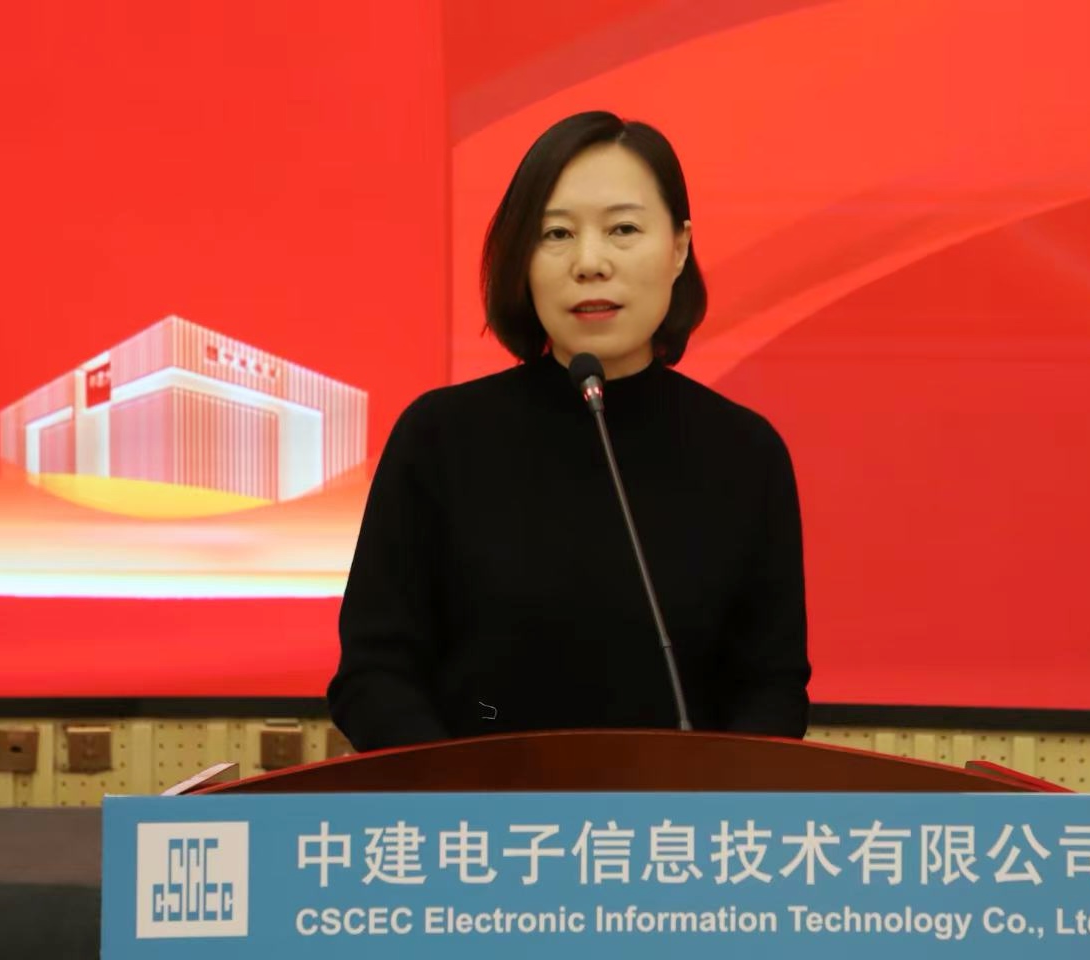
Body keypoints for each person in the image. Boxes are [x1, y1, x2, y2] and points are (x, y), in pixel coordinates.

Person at [328, 110, 810, 751]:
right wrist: (452, 793)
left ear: (678, 248)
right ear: (523, 260)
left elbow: (772, 687)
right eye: (556, 233)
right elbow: (375, 674)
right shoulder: (440, 438)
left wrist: (710, 795)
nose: (589, 262)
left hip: (681, 812)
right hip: (472, 808)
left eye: (623, 229)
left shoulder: (745, 454)